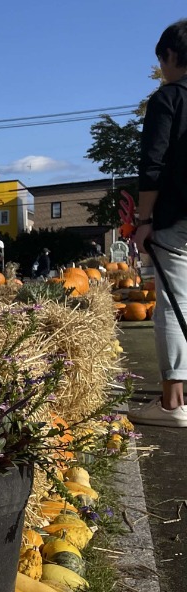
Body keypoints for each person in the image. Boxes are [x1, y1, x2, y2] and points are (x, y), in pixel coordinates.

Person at [131, 18, 187, 427]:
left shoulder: (168, 99)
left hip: (177, 216)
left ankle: (172, 402)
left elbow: (153, 165)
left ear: (170, 56)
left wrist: (143, 219)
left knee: (174, 301)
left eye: (162, 60)